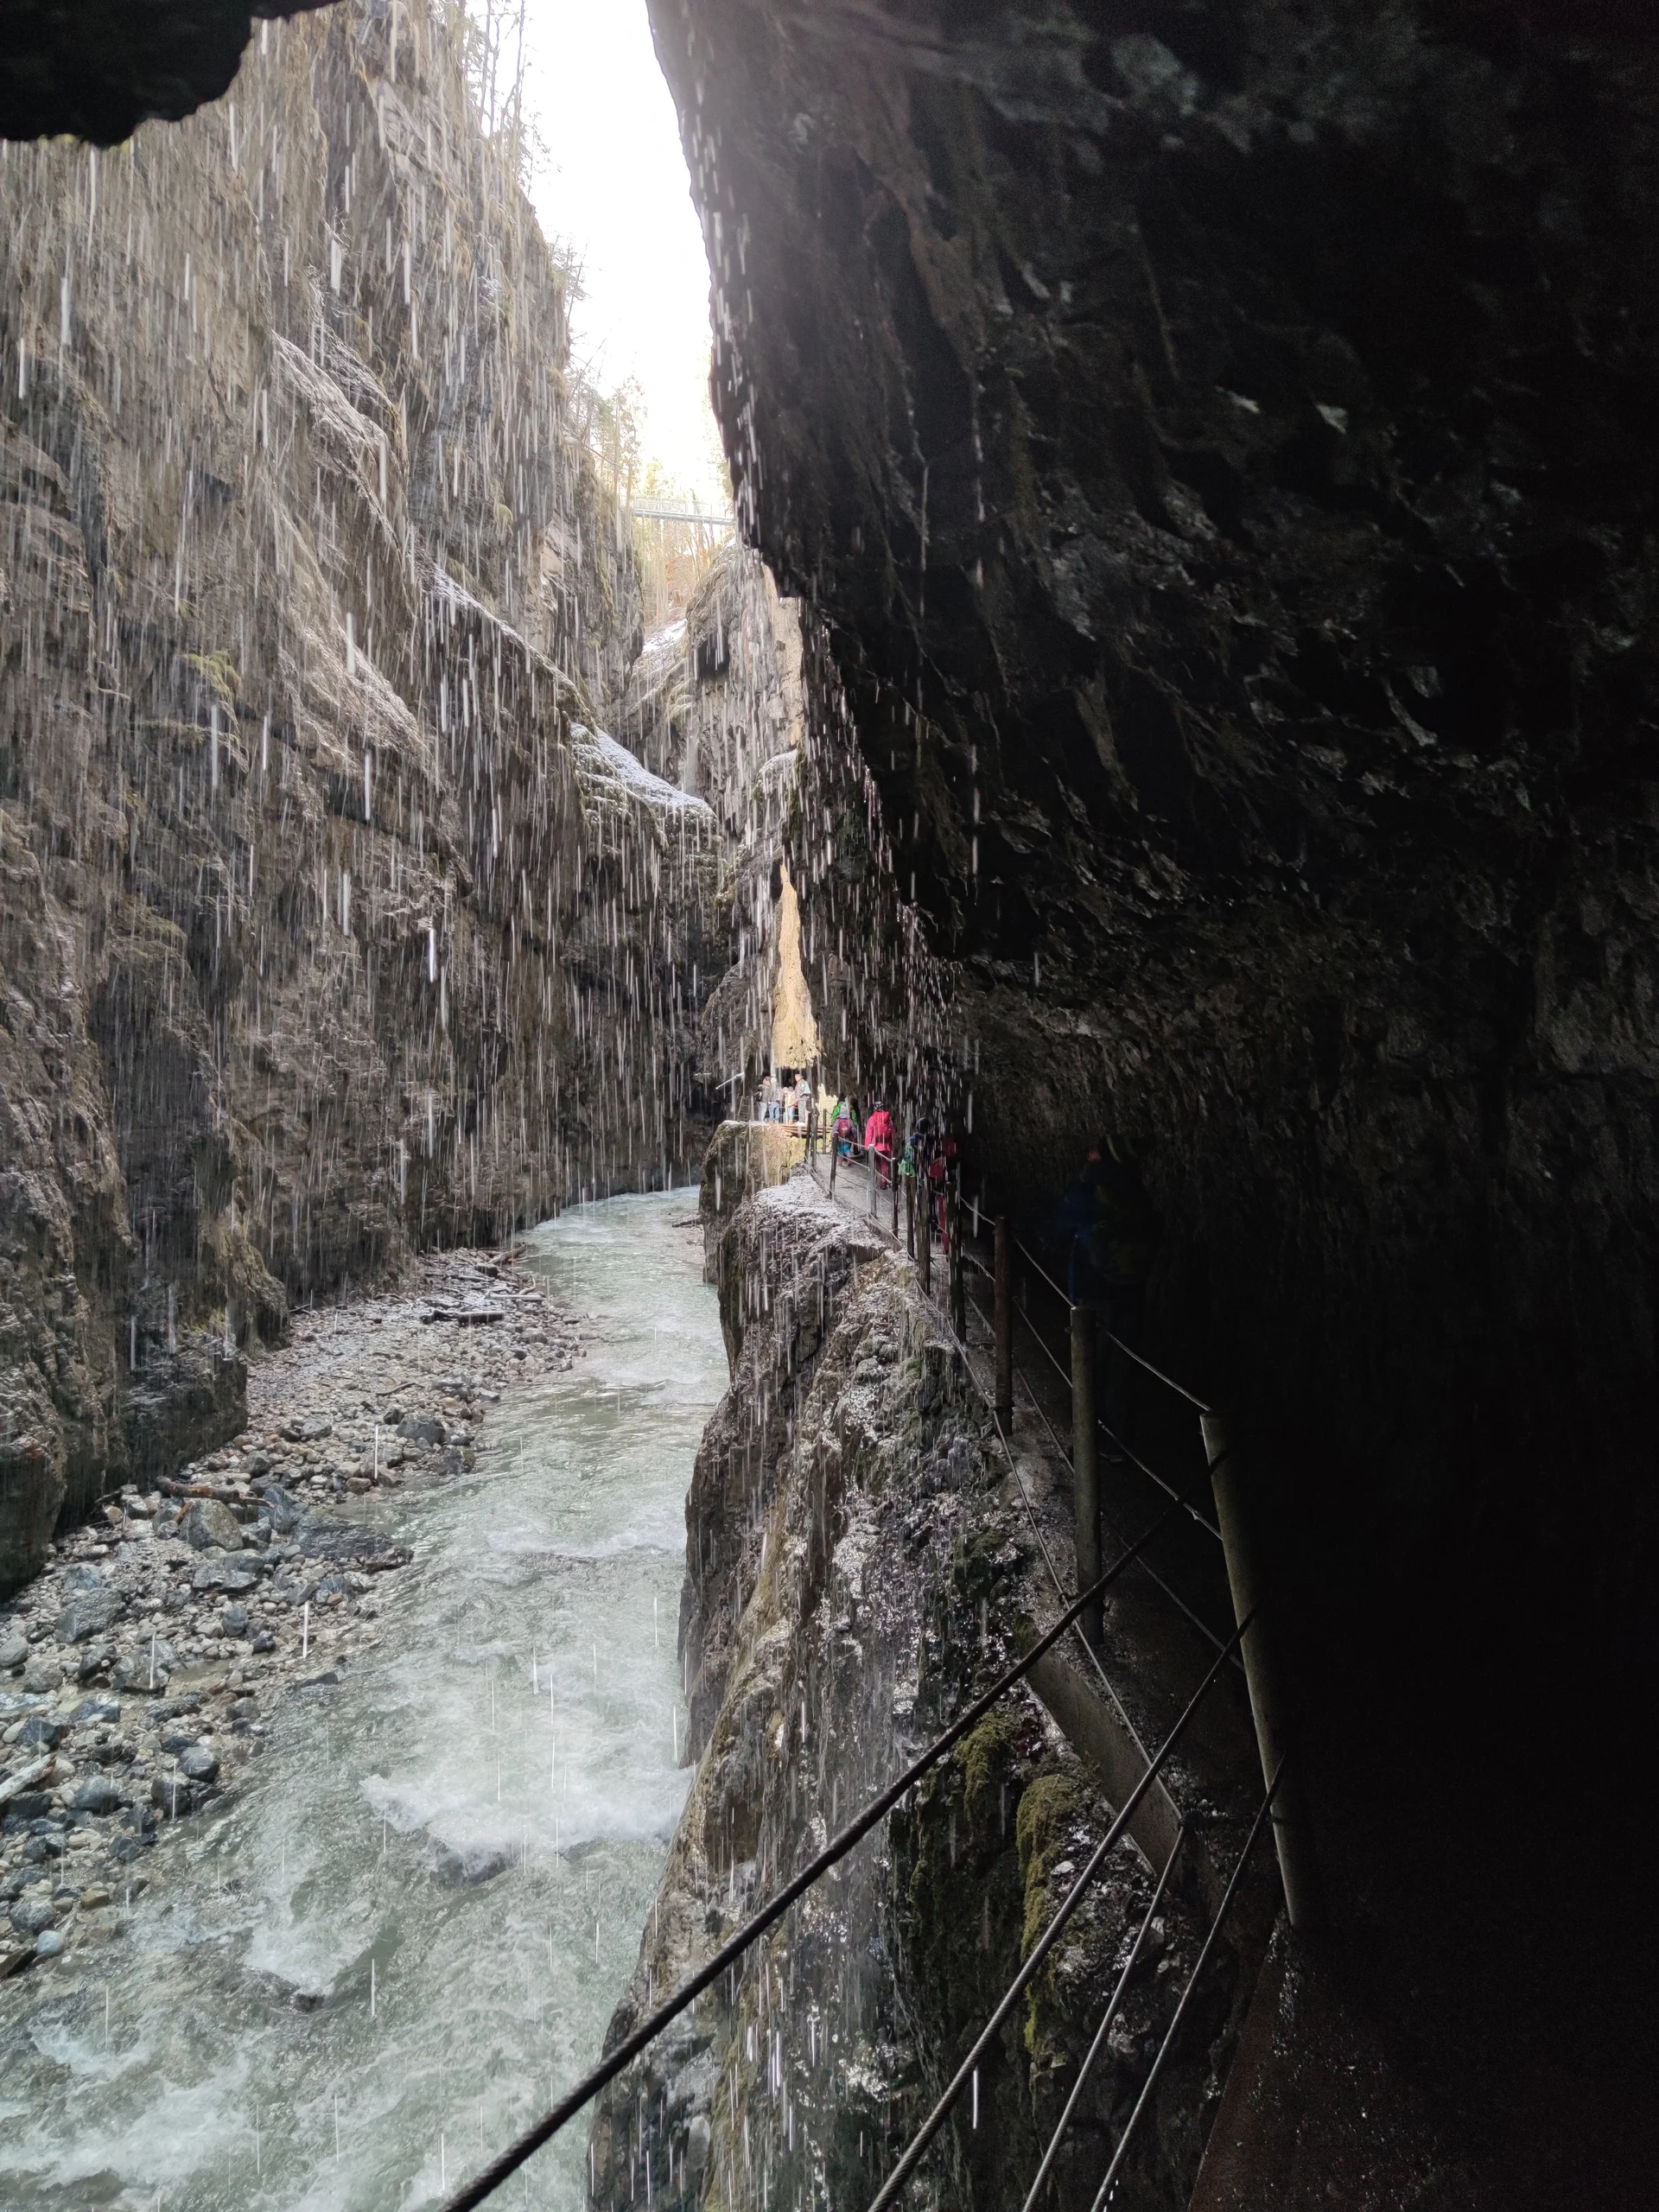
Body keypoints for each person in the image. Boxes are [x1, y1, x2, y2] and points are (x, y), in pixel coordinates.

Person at [1060, 1136, 1162, 1455]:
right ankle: (1118, 1438)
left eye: (1095, 1153)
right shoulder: (1135, 1193)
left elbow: (1068, 1207)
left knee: (1092, 1366)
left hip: (1096, 1292)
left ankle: (1090, 1442)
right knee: (1122, 1366)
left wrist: (1088, 1172)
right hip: (1129, 1291)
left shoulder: (1095, 1192)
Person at [864, 1100, 895, 1184]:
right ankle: (884, 1180)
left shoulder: (872, 1118)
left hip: (875, 1145)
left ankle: (874, 1179)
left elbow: (869, 1133)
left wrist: (867, 1146)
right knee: (884, 1163)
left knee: (874, 1162)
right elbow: (892, 1132)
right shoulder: (888, 1118)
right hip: (886, 1145)